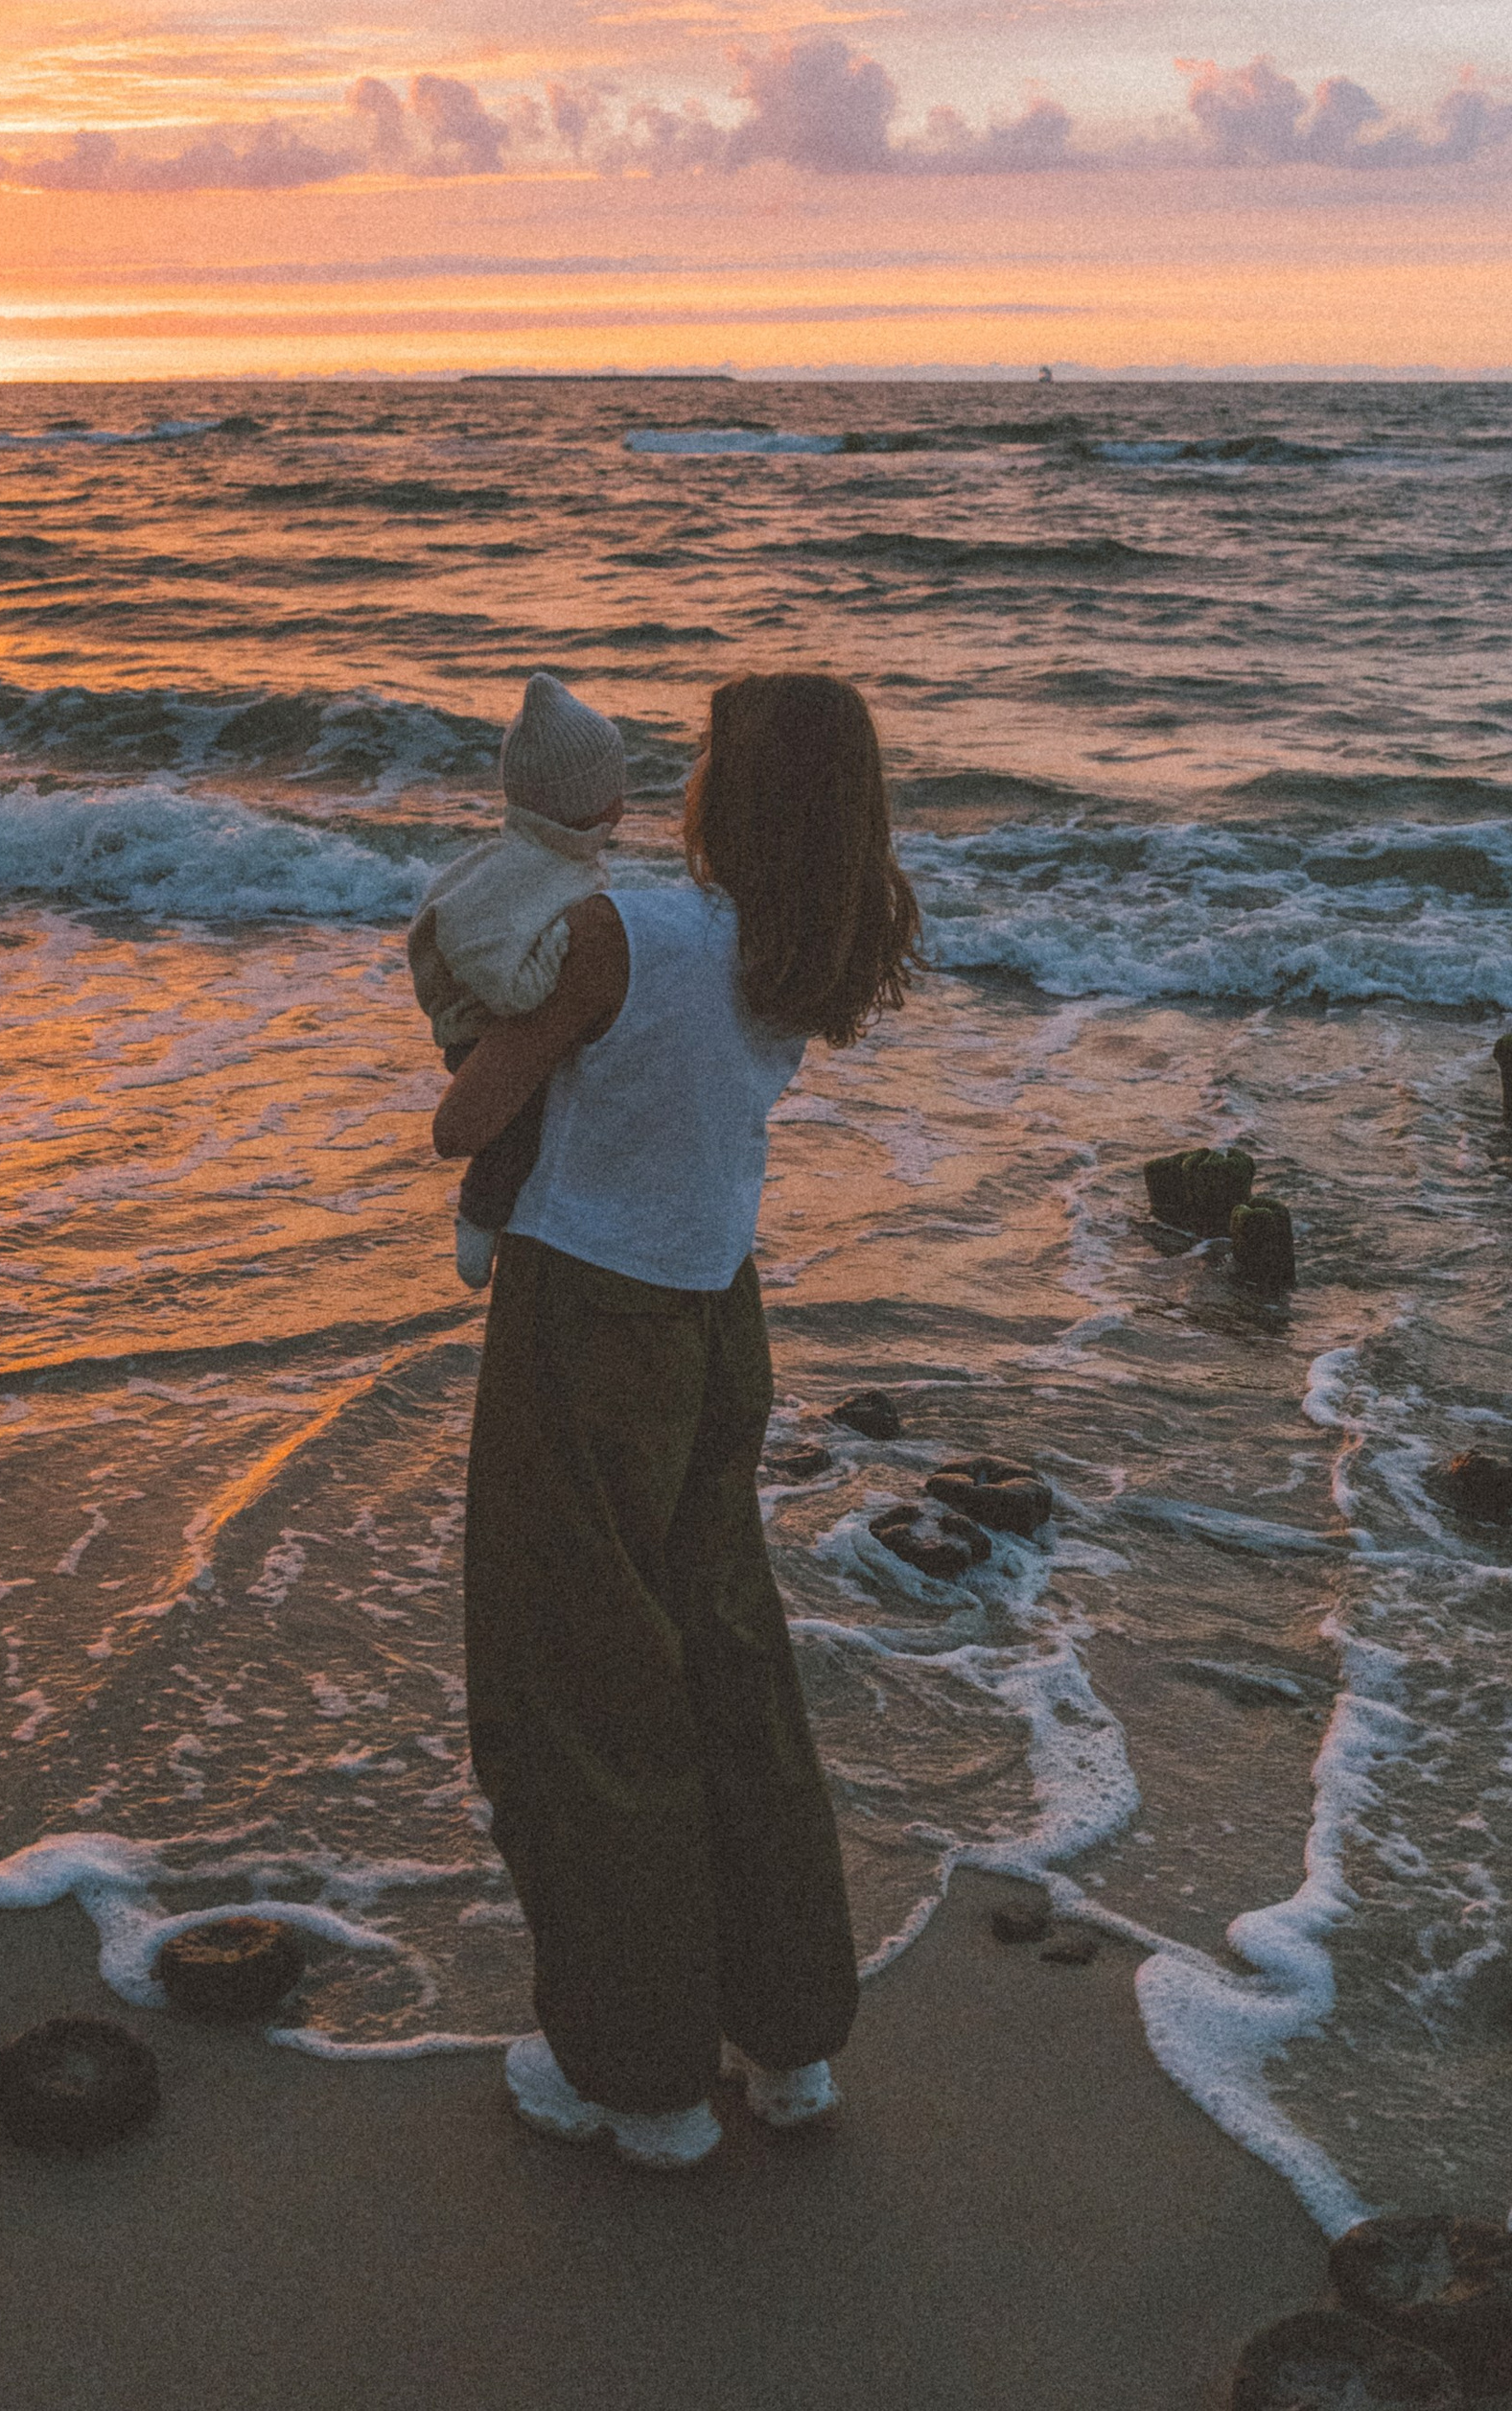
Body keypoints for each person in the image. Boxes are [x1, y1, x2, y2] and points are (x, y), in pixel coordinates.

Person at [434, 669, 923, 2170]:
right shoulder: (803, 946)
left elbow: (465, 1121)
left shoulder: (620, 933)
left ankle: (639, 2075)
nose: (689, 777)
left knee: (580, 1677)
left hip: (592, 1316)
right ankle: (787, 2044)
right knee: (726, 1656)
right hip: (721, 1315)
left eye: (709, 756)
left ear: (736, 795)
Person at [408, 672, 627, 1293]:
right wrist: (569, 945)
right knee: (515, 1130)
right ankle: (480, 1217)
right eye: (614, 788)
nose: (625, 800)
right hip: (481, 1033)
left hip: (498, 1026)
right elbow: (515, 992)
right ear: (582, 800)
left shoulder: (554, 860)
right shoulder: (518, 875)